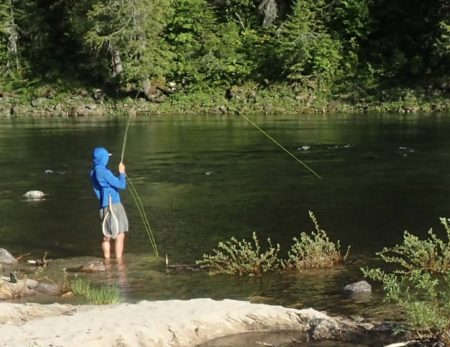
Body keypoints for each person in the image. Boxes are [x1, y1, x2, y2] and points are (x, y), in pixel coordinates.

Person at [90, 147, 128, 259]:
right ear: (103, 158)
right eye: (107, 157)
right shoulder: (104, 172)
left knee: (106, 235)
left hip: (103, 206)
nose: (108, 159)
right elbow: (122, 185)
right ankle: (119, 262)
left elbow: (106, 184)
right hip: (114, 205)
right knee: (120, 235)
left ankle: (107, 261)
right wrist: (122, 173)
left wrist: (115, 176)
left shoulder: (93, 172)